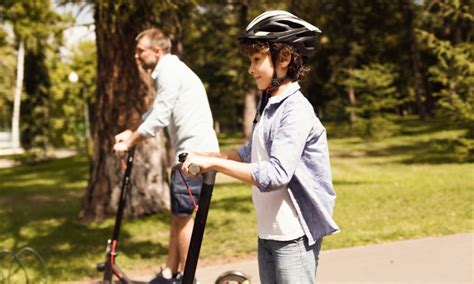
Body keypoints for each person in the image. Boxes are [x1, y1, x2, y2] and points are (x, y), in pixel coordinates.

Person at [181, 11, 339, 283]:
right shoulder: (268, 103)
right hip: (269, 232)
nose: (250, 69)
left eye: (256, 60)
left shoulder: (296, 110)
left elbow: (276, 175)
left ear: (285, 58)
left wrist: (216, 165)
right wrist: (209, 156)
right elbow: (251, 152)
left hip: (293, 236)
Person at [113, 28, 219, 284]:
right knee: (178, 216)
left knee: (183, 219)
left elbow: (158, 120)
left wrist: (130, 141)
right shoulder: (171, 71)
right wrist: (130, 132)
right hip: (190, 154)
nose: (136, 56)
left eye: (140, 51)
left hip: (194, 157)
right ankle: (170, 273)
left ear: (157, 51)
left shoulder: (169, 71)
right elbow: (155, 111)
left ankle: (188, 279)